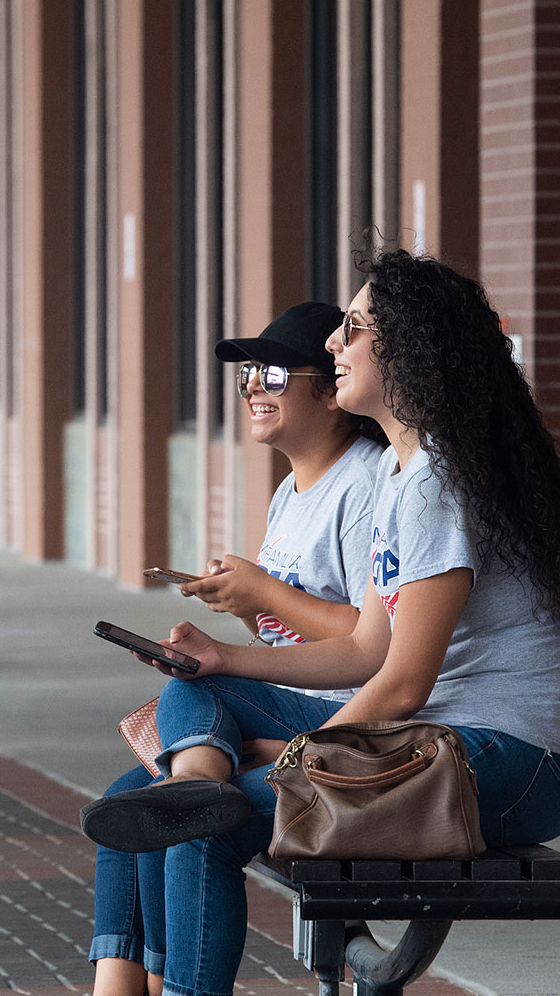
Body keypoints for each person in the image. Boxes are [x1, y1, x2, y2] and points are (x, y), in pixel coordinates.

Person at [80, 249, 560, 996]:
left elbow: (401, 685)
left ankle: (203, 800)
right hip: (448, 747)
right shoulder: (407, 473)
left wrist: (293, 760)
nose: (334, 342)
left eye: (355, 328)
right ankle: (198, 783)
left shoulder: (434, 481)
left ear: (411, 350)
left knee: (209, 831)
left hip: (510, 764)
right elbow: (367, 648)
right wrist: (226, 662)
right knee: (195, 698)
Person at [87, 302, 388, 996]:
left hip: (350, 712)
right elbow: (289, 634)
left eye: (274, 371)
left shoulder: (366, 483)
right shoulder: (290, 492)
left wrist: (262, 595)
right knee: (127, 801)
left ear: (332, 389)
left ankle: (193, 786)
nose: (255, 384)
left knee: (194, 701)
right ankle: (123, 984)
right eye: (250, 372)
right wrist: (247, 605)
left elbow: (370, 642)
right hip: (292, 701)